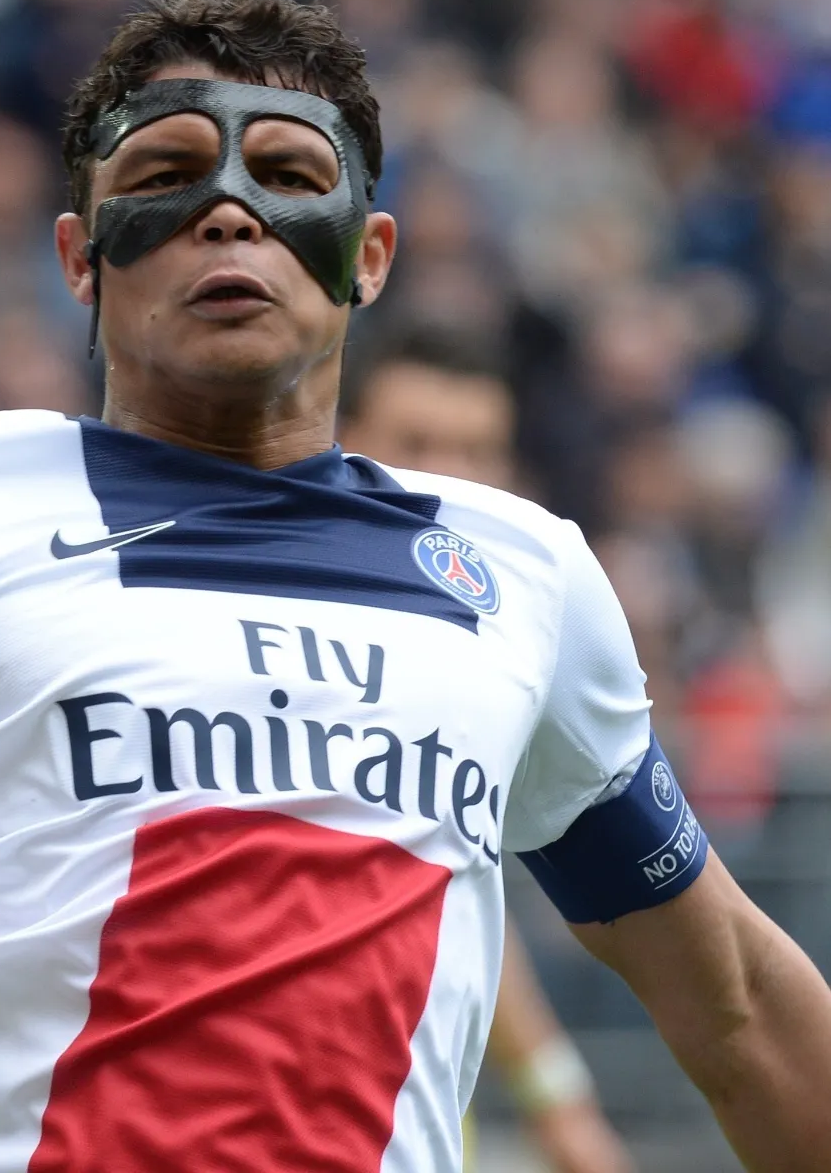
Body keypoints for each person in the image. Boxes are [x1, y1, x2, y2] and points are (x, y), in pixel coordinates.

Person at [0, 0, 831, 1173]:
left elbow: (730, 1004)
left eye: (288, 176)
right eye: (167, 175)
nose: (230, 213)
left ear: (369, 255)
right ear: (80, 256)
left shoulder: (525, 577)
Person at [341, 332, 634, 1173]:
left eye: (475, 451)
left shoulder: (508, 636)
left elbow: (449, 888)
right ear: (342, 438)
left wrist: (557, 1100)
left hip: (416, 1131)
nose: (448, 479)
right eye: (418, 444)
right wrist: (559, 1104)